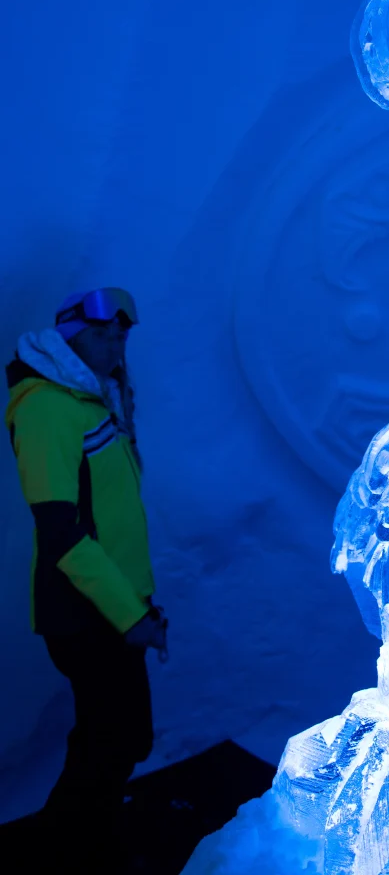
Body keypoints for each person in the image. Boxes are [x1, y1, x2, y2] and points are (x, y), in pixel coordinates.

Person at [5, 287, 168, 874]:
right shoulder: (47, 407)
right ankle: (76, 851)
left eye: (121, 333)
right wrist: (131, 619)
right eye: (103, 333)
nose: (116, 342)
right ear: (70, 336)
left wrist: (139, 606)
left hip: (113, 608)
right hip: (84, 614)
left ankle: (78, 838)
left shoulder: (85, 400)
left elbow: (112, 519)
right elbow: (62, 533)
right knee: (115, 742)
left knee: (115, 739)